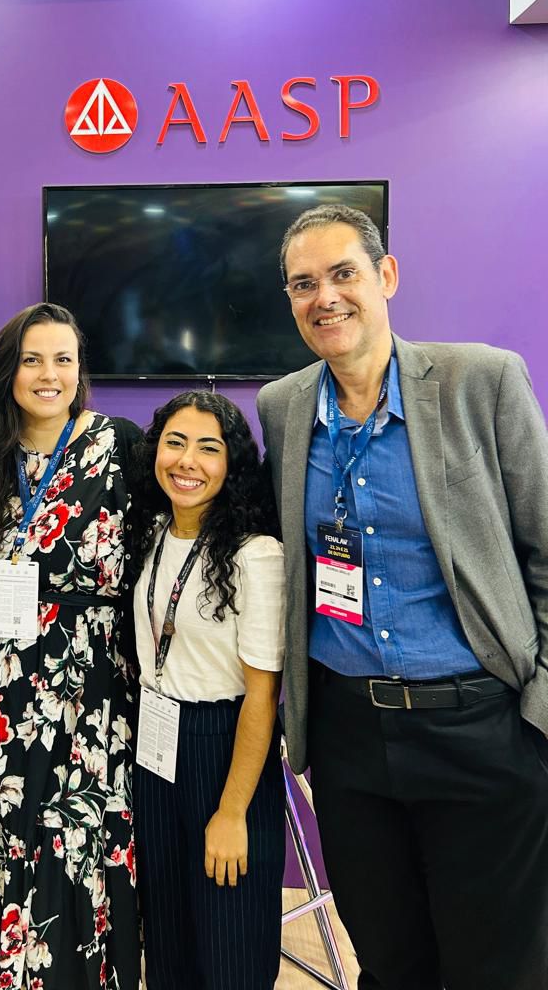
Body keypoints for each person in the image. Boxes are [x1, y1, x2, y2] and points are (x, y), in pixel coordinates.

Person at [257, 203, 548, 990]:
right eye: (304, 284)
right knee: (388, 965)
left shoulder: (480, 381)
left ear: (386, 276)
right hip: (351, 741)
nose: (325, 298)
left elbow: (545, 548)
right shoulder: (282, 407)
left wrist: (538, 719)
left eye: (343, 274)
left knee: (499, 970)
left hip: (482, 730)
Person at [0, 302, 142, 990]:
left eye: (63, 360)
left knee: (73, 832)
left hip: (86, 687)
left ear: (80, 370)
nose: (49, 375)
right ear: (7, 371)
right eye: (32, 360)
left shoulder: (121, 448)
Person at [129, 390, 285, 990]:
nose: (187, 461)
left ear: (232, 462)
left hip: (224, 747)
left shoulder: (255, 555)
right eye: (175, 443)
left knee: (230, 949)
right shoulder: (150, 534)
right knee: (168, 946)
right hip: (155, 745)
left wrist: (232, 811)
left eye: (208, 448)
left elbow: (262, 696)